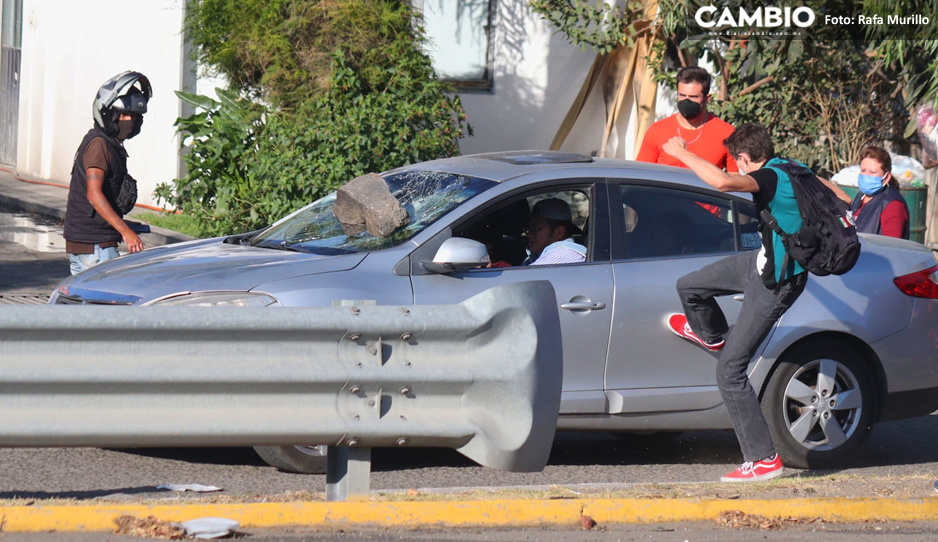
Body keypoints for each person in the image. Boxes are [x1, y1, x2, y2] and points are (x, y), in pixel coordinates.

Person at [661, 123, 818, 483]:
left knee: (729, 372)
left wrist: (681, 151)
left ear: (744, 158)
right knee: (691, 286)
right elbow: (832, 192)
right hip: (760, 261)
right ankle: (714, 336)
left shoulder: (769, 177)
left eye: (738, 162)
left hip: (775, 282)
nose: (738, 167)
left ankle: (763, 459)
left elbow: (723, 183)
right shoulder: (792, 166)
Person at [64, 71, 152, 275]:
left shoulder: (108, 143)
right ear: (109, 114)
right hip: (95, 247)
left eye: (134, 116)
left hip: (91, 244)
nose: (130, 120)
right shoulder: (99, 145)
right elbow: (94, 195)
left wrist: (122, 223)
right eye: (124, 114)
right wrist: (126, 233)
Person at [636, 66, 738, 173]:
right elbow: (641, 173)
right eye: (682, 95)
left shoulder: (726, 133)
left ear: (707, 99)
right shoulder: (657, 130)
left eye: (693, 97)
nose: (686, 101)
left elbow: (736, 180)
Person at [849, 145, 910, 239]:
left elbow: (891, 245)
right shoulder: (861, 196)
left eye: (873, 172)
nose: (866, 176)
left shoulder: (893, 205)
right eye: (863, 170)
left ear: (886, 177)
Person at [523, 198, 586, 266]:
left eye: (536, 228)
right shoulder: (540, 255)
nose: (529, 234)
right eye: (529, 228)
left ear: (559, 232)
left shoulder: (562, 254)